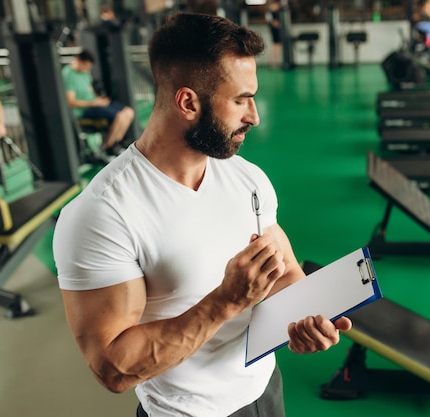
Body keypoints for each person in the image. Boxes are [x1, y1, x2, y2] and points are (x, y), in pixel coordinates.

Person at [53, 12, 352, 417]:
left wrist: (303, 318)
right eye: (240, 100)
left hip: (265, 392)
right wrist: (225, 301)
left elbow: (283, 271)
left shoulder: (248, 179)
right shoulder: (102, 214)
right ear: (188, 102)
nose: (254, 115)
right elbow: (113, 369)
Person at [61, 49, 134, 155]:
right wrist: (93, 103)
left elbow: (91, 93)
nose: (87, 69)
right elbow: (71, 101)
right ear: (78, 61)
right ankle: (108, 147)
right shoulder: (68, 74)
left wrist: (99, 100)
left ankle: (117, 142)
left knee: (129, 112)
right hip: (83, 110)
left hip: (94, 105)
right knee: (120, 116)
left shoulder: (84, 73)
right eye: (85, 65)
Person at [267, 0, 282, 68]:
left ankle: (276, 61)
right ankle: (272, 62)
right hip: (275, 32)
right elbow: (274, 24)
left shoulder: (278, 13)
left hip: (278, 32)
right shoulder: (271, 14)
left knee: (278, 46)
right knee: (275, 46)